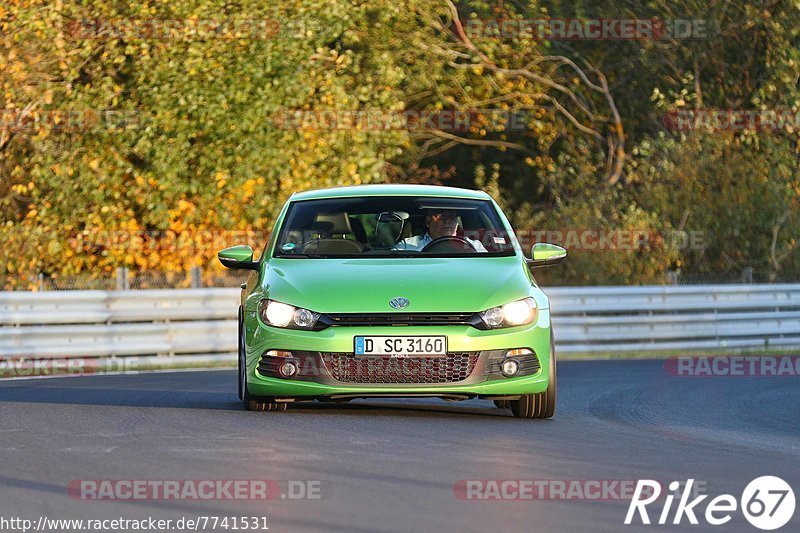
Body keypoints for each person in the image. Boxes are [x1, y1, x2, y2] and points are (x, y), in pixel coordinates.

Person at [393, 209, 487, 252]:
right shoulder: (407, 247)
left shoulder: (473, 247)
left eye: (452, 216)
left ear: (457, 223)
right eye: (440, 215)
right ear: (428, 221)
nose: (447, 220)